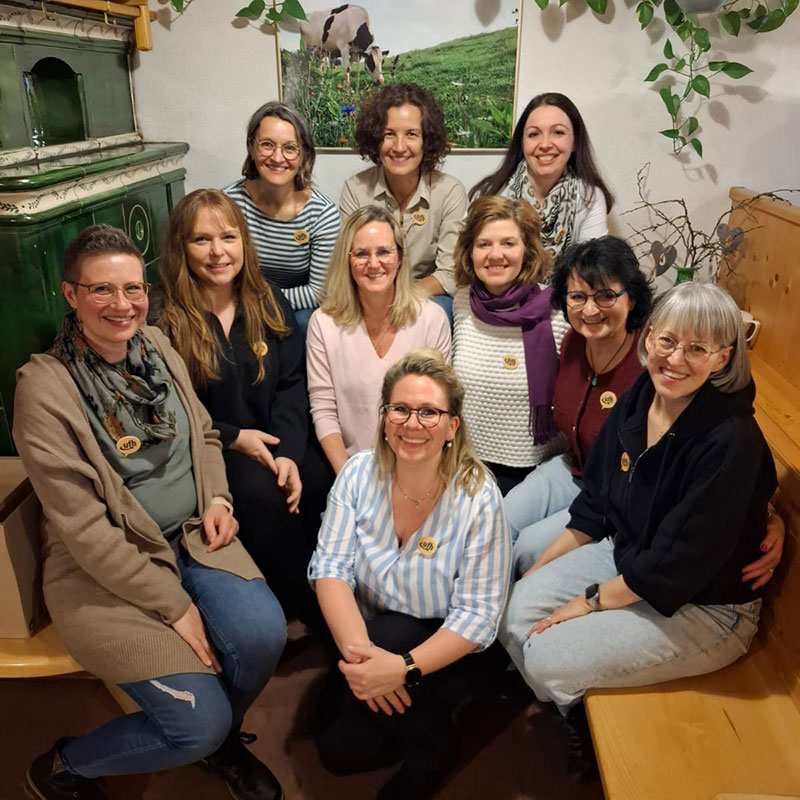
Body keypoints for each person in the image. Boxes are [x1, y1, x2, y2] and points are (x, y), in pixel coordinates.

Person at [13, 225, 286, 800]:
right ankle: (64, 766)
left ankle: (219, 743)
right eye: (102, 290)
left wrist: (218, 498)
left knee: (264, 637)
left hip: (193, 535)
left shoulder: (156, 346)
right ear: (71, 294)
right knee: (196, 722)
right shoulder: (45, 388)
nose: (122, 304)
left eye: (133, 288)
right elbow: (85, 529)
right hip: (103, 570)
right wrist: (174, 604)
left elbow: (204, 434)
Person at [498, 281, 778, 780]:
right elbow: (596, 503)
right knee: (514, 610)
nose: (676, 359)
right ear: (648, 338)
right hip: (631, 556)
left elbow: (676, 565)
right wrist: (540, 572)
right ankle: (576, 702)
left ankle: (583, 721)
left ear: (724, 358)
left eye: (697, 349)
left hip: (705, 607)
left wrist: (588, 601)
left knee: (544, 658)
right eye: (667, 340)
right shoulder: (643, 395)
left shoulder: (730, 440)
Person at [505, 236, 786, 582]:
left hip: (621, 495)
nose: (590, 310)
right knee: (501, 520)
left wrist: (770, 516)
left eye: (605, 295)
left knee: (529, 550)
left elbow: (727, 434)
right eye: (578, 296)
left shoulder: (659, 360)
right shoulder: (573, 342)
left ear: (632, 297)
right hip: (575, 469)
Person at [310, 348, 511, 800]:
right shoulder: (357, 475)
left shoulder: (479, 498)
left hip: (443, 646)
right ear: (384, 419)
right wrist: (366, 663)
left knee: (392, 641)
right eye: (399, 409)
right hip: (367, 636)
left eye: (428, 412)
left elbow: (477, 616)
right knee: (337, 752)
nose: (412, 423)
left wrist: (403, 670)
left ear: (452, 426)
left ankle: (432, 753)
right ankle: (394, 699)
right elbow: (330, 568)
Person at [156, 188, 328, 627]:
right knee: (261, 496)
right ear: (181, 247)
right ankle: (300, 612)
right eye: (201, 240)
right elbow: (170, 408)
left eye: (228, 238)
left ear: (243, 243)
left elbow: (292, 384)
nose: (218, 252)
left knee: (320, 481)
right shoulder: (165, 317)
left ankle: (334, 591)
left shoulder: (268, 298)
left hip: (275, 435)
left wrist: (289, 452)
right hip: (213, 445)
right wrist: (235, 438)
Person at [306, 205, 451, 475]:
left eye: (384, 252)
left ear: (400, 258)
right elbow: (324, 409)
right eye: (362, 253)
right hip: (351, 469)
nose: (374, 264)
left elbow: (438, 409)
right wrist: (348, 479)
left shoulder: (431, 318)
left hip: (418, 468)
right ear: (347, 261)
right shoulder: (323, 323)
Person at [452, 195, 570, 495]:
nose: (496, 254)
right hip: (464, 463)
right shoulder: (462, 303)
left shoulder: (558, 310)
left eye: (508, 243)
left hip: (534, 471)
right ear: (470, 251)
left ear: (527, 251)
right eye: (484, 244)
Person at [340, 82, 468, 314]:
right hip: (368, 293)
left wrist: (398, 297)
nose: (399, 147)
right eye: (389, 134)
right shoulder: (355, 189)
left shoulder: (450, 192)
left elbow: (450, 274)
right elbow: (347, 264)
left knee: (442, 307)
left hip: (423, 296)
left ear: (426, 140)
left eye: (411, 134)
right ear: (375, 139)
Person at [225, 101, 340, 330]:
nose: (277, 158)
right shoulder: (229, 204)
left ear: (304, 154)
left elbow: (319, 292)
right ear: (251, 147)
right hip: (238, 306)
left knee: (307, 321)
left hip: (295, 313)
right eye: (267, 145)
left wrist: (258, 301)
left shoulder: (322, 214)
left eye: (290, 148)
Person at [470, 92, 612, 261]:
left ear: (575, 141)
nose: (545, 144)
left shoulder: (589, 198)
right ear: (522, 142)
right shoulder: (492, 192)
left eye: (558, 132)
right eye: (533, 134)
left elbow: (592, 269)